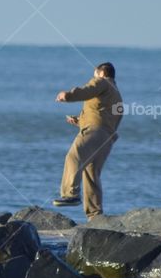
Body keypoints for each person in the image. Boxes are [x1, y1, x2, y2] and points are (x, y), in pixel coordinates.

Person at [53, 62, 123, 218]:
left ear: (102, 73)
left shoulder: (102, 82)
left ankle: (71, 194)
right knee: (91, 173)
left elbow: (88, 90)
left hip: (95, 131)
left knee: (74, 156)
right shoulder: (117, 94)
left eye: (94, 74)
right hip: (107, 138)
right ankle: (95, 215)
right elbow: (106, 117)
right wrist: (79, 121)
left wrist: (68, 96)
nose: (93, 78)